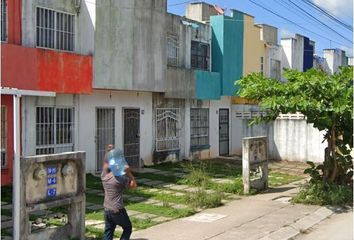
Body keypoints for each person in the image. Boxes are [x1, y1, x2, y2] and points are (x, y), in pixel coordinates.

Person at [101, 145, 137, 240]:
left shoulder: (104, 176)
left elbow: (105, 163)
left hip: (107, 209)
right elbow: (133, 186)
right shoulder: (120, 179)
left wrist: (108, 151)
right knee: (127, 228)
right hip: (117, 210)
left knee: (108, 232)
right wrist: (129, 173)